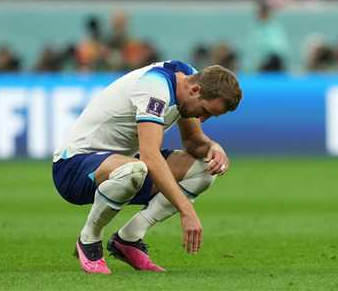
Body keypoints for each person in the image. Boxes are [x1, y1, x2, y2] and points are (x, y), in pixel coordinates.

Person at [52, 60, 242, 274]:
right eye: (205, 110)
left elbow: (193, 140)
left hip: (124, 165)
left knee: (204, 169)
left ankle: (129, 239)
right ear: (196, 89)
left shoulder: (189, 80)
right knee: (136, 169)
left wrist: (214, 147)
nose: (203, 118)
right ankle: (89, 239)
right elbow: (150, 157)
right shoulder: (155, 88)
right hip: (73, 167)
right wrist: (187, 211)